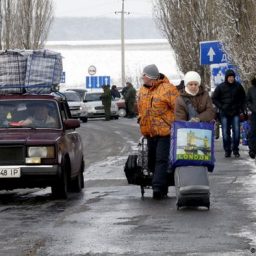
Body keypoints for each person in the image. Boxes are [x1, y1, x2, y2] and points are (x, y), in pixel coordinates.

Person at [137, 64, 179, 199]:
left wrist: (174, 122)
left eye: (143, 75)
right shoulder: (143, 91)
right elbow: (141, 108)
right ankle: (162, 184)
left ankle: (157, 188)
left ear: (150, 77)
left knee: (161, 159)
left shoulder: (168, 89)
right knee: (152, 161)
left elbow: (178, 108)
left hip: (165, 132)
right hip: (149, 132)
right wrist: (140, 117)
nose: (142, 78)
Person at [212, 69, 246, 158]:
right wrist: (221, 106)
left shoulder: (238, 86)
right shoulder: (220, 87)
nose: (231, 78)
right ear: (226, 78)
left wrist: (241, 108)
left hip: (235, 112)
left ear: (234, 78)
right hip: (224, 113)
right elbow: (214, 98)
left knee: (237, 132)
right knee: (225, 133)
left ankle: (235, 149)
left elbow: (243, 98)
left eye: (232, 77)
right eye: (229, 77)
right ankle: (227, 150)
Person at [246, 75, 256, 159]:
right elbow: (247, 101)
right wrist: (252, 108)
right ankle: (252, 150)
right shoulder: (251, 89)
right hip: (254, 114)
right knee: (253, 132)